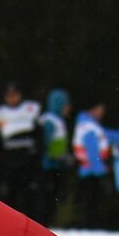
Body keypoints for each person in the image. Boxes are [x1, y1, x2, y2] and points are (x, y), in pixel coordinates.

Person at [0, 80, 42, 216]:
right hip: (9, 160)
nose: (12, 98)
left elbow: (39, 134)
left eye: (15, 94)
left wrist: (37, 153)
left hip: (27, 159)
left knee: (28, 193)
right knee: (9, 194)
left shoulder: (31, 109)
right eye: (9, 95)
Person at [71, 98, 111, 228]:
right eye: (100, 110)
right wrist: (102, 173)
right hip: (92, 171)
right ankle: (91, 227)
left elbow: (106, 135)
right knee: (92, 204)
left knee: (89, 203)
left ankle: (89, 225)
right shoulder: (89, 126)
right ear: (93, 110)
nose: (102, 113)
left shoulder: (89, 124)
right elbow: (93, 153)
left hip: (89, 170)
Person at [38, 88, 72, 226]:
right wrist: (56, 157)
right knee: (47, 197)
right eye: (66, 104)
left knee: (54, 197)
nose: (68, 108)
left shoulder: (59, 120)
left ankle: (50, 222)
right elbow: (45, 143)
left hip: (57, 165)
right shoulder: (49, 120)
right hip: (48, 166)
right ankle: (44, 223)